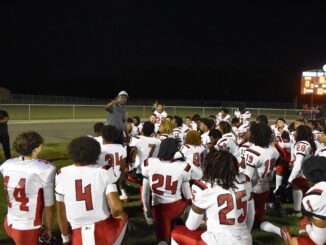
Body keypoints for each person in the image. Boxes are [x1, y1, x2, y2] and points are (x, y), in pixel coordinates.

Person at [55, 136, 128, 245]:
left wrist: (66, 238)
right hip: (104, 232)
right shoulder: (104, 170)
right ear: (96, 152)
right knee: (123, 216)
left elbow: (61, 213)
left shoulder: (61, 173)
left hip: (78, 234)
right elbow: (116, 208)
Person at [171, 151, 254, 245]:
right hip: (245, 240)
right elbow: (251, 216)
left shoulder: (203, 187)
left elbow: (192, 226)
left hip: (217, 241)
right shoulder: (245, 181)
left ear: (210, 167)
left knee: (176, 233)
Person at [0, 131, 56, 245]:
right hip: (27, 226)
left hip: (9, 220)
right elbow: (49, 205)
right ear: (35, 149)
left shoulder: (6, 165)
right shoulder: (44, 169)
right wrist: (49, 228)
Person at [142, 138, 192, 244]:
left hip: (158, 208)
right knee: (190, 201)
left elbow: (145, 191)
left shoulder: (149, 163)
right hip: (177, 207)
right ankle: (188, 225)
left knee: (162, 238)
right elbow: (188, 195)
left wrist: (146, 209)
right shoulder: (183, 166)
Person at [281, 156, 326, 245]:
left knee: (294, 242)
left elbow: (320, 241)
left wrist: (307, 226)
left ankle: (298, 235)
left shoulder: (314, 197)